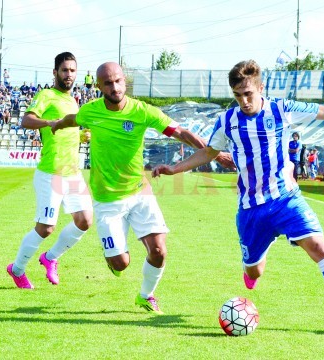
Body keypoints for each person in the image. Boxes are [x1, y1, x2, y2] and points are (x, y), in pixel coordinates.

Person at [152, 60, 324, 327]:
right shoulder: (227, 121)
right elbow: (208, 152)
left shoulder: (282, 109)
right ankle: (255, 263)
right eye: (237, 96)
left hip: (286, 200)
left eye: (248, 94)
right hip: (251, 210)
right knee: (254, 269)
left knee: (319, 248)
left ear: (261, 88)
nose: (244, 101)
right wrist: (175, 169)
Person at [51, 61, 234, 314]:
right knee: (121, 263)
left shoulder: (143, 111)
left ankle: (146, 295)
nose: (114, 87)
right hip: (107, 201)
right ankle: (114, 256)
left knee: (159, 251)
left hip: (139, 193)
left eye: (118, 81)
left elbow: (180, 132)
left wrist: (215, 153)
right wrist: (56, 124)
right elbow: (74, 119)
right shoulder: (91, 111)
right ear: (100, 86)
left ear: (125, 81)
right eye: (108, 83)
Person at [6, 52, 93, 290]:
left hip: (73, 172)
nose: (69, 75)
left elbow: (65, 133)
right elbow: (26, 120)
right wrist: (49, 123)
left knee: (85, 220)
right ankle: (17, 269)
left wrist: (81, 137)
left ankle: (50, 258)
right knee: (46, 228)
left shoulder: (74, 101)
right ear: (55, 72)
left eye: (72, 70)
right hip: (50, 172)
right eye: (64, 70)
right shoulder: (46, 95)